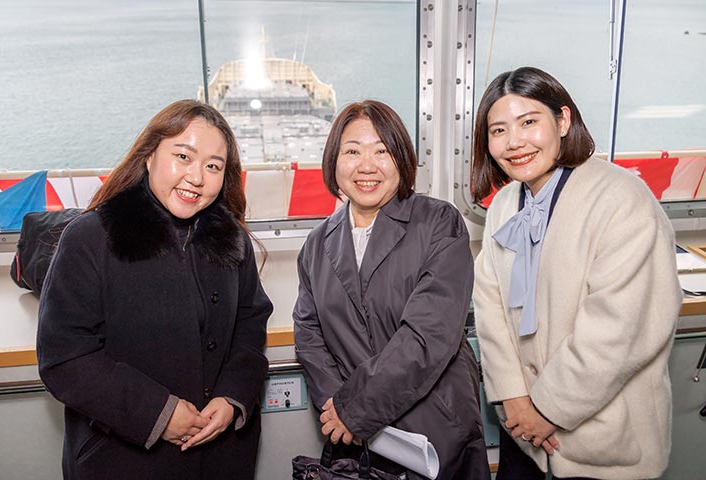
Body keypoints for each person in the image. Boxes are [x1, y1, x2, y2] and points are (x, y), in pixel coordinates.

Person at [36, 99, 273, 480]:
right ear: (149, 157)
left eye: (213, 166)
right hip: (124, 462)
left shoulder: (231, 238)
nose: (196, 177)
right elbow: (64, 357)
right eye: (183, 156)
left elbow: (250, 322)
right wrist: (158, 414)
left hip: (222, 458)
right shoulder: (91, 237)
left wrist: (233, 397)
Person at [472, 66, 682, 480]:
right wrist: (513, 398)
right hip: (525, 436)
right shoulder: (504, 204)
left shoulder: (622, 198)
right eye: (498, 131)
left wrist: (546, 410)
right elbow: (490, 307)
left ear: (563, 121)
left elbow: (617, 329)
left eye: (529, 122)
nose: (514, 142)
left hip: (605, 443)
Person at [293, 100, 490, 480]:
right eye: (352, 152)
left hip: (436, 425)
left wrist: (357, 407)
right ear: (334, 162)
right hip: (354, 436)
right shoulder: (317, 244)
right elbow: (309, 334)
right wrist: (337, 408)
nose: (367, 166)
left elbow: (428, 334)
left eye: (382, 151)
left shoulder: (438, 223)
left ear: (402, 158)